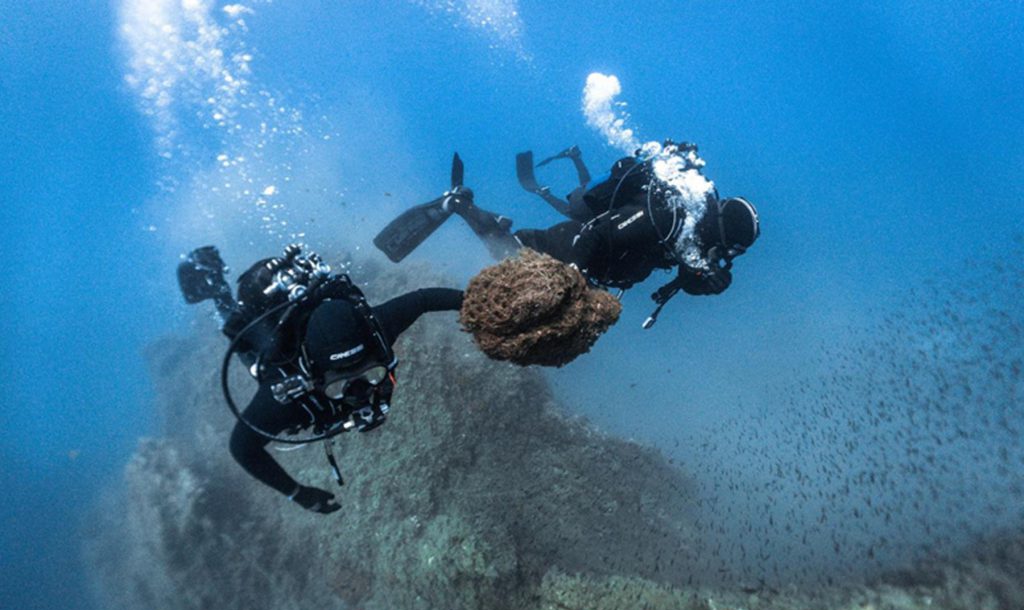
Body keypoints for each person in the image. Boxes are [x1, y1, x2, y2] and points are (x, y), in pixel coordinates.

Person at [178, 244, 463, 513]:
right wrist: (297, 493)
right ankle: (217, 288)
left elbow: (424, 299)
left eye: (369, 374)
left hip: (321, 316)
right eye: (339, 386)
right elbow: (241, 447)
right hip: (271, 335)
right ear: (315, 377)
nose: (360, 392)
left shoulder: (376, 329)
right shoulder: (289, 392)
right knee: (246, 339)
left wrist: (475, 300)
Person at [374, 142, 759, 327]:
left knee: (510, 257)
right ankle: (459, 203)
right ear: (721, 232)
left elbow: (687, 281)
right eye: (726, 249)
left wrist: (712, 283)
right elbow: (598, 231)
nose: (718, 256)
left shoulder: (685, 237)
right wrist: (571, 277)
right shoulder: (665, 216)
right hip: (570, 245)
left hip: (587, 266)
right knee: (506, 256)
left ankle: (485, 214)